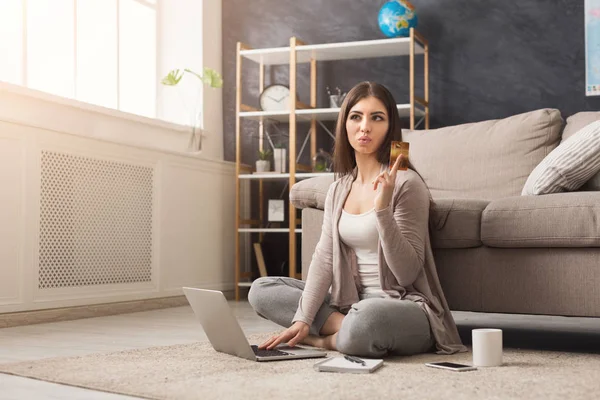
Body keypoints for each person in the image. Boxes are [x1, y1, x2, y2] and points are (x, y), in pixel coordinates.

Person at [248, 81, 467, 357]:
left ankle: (326, 339)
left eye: (377, 118)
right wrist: (302, 319)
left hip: (403, 309)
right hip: (350, 306)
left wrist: (383, 210)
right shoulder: (338, 189)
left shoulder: (407, 184)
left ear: (389, 128)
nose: (365, 127)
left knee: (368, 318)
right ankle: (346, 331)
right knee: (262, 289)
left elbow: (407, 273)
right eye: (356, 116)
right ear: (345, 124)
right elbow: (324, 258)